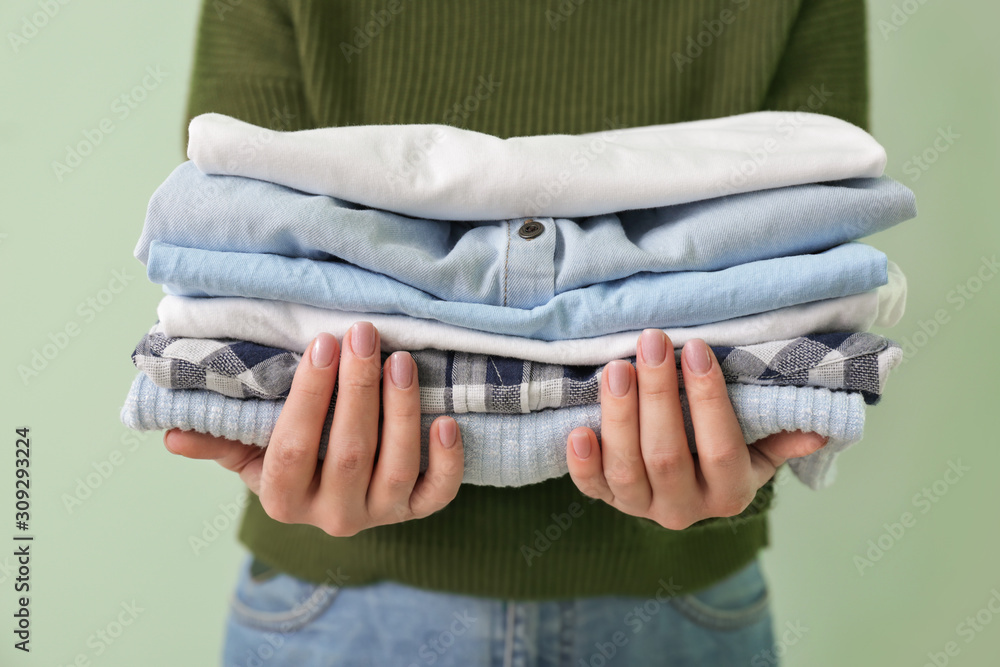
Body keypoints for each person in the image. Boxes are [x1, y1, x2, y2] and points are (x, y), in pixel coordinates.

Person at [165, 1, 869, 663]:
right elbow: (229, 212)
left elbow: (818, 227)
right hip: (350, 601)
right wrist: (287, 446)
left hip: (668, 604)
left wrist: (738, 463)